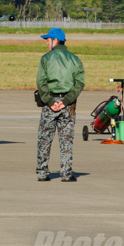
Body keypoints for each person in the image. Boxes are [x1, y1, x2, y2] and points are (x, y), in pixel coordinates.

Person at [35, 27, 85, 182]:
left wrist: (51, 102)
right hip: (68, 105)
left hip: (50, 104)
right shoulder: (75, 59)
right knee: (66, 140)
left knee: (45, 138)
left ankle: (42, 173)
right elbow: (79, 83)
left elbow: (41, 82)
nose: (46, 43)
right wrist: (66, 101)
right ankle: (66, 173)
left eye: (48, 40)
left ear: (55, 41)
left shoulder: (46, 58)